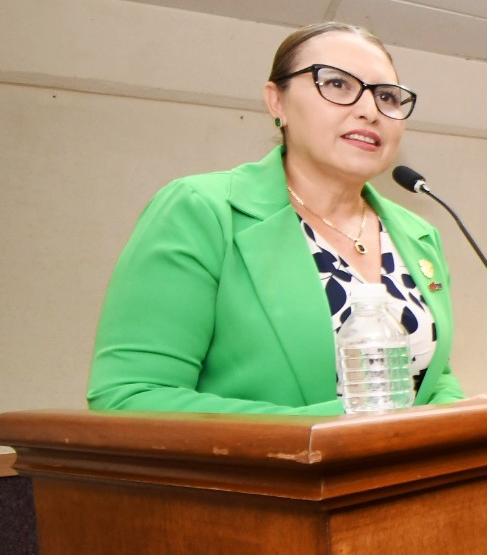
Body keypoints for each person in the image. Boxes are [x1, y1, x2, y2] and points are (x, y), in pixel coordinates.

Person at [88, 22, 465, 414]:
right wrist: (353, 429)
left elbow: (434, 378)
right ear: (277, 102)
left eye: (387, 96)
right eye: (337, 84)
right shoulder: (202, 210)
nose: (370, 110)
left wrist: (464, 416)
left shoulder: (418, 234)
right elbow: (131, 398)